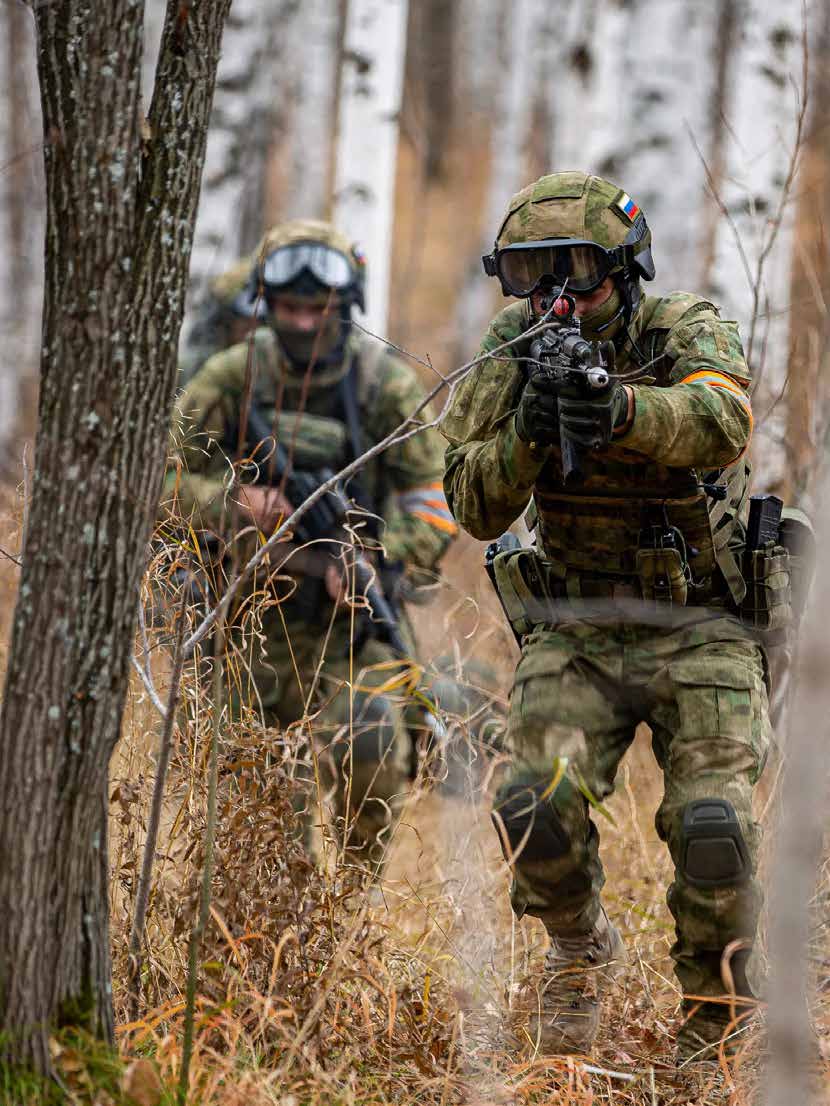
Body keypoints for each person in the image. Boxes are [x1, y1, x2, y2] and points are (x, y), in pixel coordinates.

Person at [441, 172, 778, 1062]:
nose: (558, 299)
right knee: (532, 805)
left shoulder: (680, 327)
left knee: (714, 828)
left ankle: (716, 1018)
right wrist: (528, 435)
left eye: (579, 274)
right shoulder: (512, 348)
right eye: (532, 276)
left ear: (627, 271)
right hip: (578, 621)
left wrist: (621, 408)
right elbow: (470, 500)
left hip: (703, 624)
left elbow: (722, 418)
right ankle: (578, 949)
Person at [164, 218, 457, 871]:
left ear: (344, 305)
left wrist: (375, 558)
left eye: (315, 308)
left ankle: (350, 904)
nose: (301, 322)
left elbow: (436, 506)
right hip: (249, 624)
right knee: (262, 814)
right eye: (288, 307)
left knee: (372, 742)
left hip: (351, 627)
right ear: (266, 303)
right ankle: (283, 921)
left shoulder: (383, 385)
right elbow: (156, 482)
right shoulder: (231, 376)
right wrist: (237, 503)